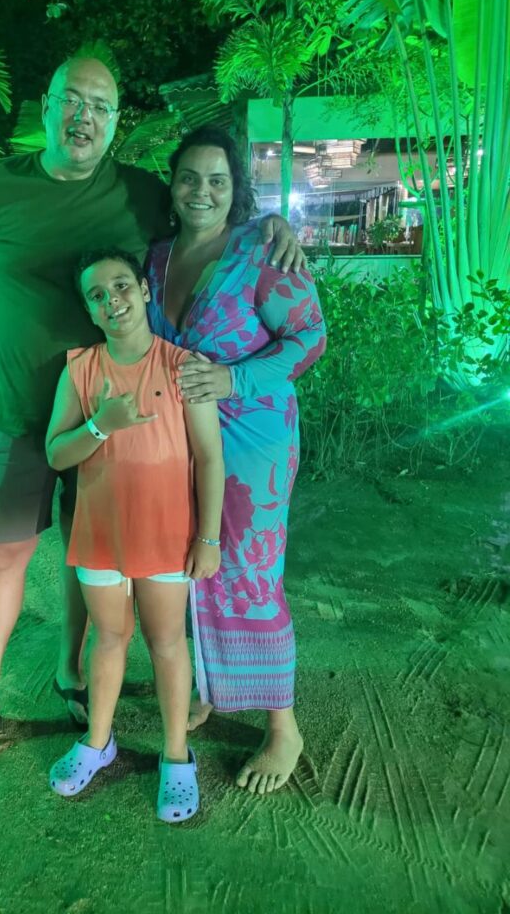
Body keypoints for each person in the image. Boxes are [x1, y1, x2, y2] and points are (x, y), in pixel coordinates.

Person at [0, 55, 304, 777]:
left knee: (89, 555)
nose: (84, 117)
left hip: (118, 422)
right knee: (5, 555)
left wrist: (273, 223)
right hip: (20, 413)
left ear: (116, 121)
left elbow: (209, 208)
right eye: (73, 100)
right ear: (46, 106)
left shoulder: (137, 192)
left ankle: (71, 671)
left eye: (101, 105)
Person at [145, 125, 327, 795]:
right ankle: (213, 686)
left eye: (217, 180)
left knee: (250, 575)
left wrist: (234, 379)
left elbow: (310, 337)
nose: (202, 191)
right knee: (195, 566)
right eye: (190, 178)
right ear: (172, 185)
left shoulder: (261, 250)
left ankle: (284, 727)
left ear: (235, 189)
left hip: (253, 445)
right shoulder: (156, 257)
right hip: (180, 440)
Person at [44, 249, 224, 822]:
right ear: (89, 310)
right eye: (97, 295)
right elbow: (56, 453)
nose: (112, 300)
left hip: (168, 534)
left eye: (121, 286)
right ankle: (99, 742)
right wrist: (102, 424)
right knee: (108, 638)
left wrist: (209, 538)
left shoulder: (183, 366)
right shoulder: (80, 370)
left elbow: (209, 458)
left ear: (145, 290)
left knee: (167, 642)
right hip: (101, 534)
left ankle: (176, 755)